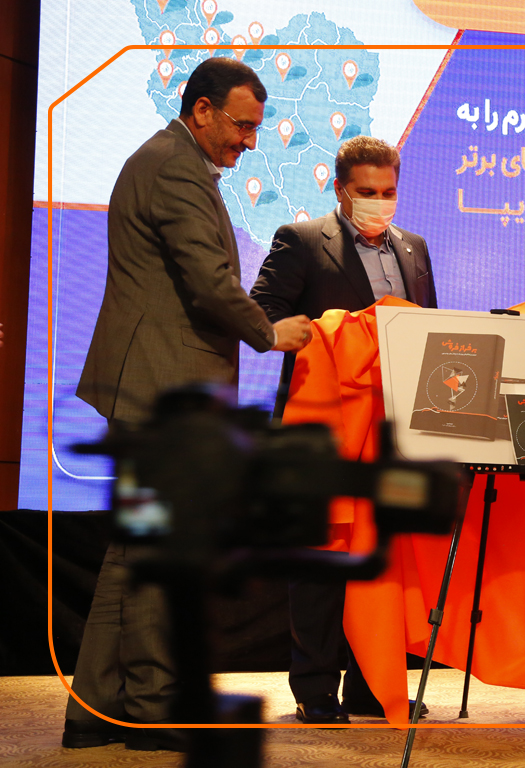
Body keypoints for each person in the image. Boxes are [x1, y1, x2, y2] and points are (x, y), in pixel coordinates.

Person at [64, 57, 311, 752]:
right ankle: (150, 708)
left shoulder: (173, 160)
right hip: (162, 389)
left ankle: (95, 710)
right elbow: (207, 278)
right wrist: (269, 331)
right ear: (202, 109)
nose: (250, 142)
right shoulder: (174, 167)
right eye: (242, 125)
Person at [250, 136, 437, 724]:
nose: (379, 202)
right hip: (323, 429)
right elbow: (262, 313)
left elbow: (428, 329)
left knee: (383, 558)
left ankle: (371, 686)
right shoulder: (302, 240)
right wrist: (332, 332)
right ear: (339, 189)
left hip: (392, 431)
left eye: (388, 191)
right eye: (366, 192)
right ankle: (314, 689)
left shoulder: (415, 247)